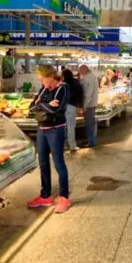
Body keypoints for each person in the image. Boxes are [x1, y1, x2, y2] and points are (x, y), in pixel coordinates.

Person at [27, 65, 70, 212]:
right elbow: (31, 107)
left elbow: (56, 110)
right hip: (42, 129)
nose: (41, 82)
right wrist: (44, 104)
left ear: (51, 77)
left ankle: (64, 197)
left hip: (56, 130)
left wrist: (41, 105)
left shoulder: (63, 88)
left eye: (42, 79)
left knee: (58, 163)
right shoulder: (43, 89)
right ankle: (45, 195)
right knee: (43, 162)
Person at [62, 69, 83, 153]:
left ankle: (63, 145)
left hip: (62, 107)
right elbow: (80, 94)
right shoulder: (76, 82)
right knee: (71, 127)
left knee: (63, 127)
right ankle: (72, 146)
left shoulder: (62, 84)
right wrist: (80, 106)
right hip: (71, 106)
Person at [78, 65, 98, 148]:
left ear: (84, 70)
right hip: (91, 104)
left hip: (89, 105)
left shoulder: (88, 78)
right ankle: (91, 139)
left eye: (80, 70)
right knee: (90, 123)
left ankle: (91, 141)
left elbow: (88, 94)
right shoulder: (91, 76)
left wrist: (84, 106)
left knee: (89, 124)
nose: (79, 72)